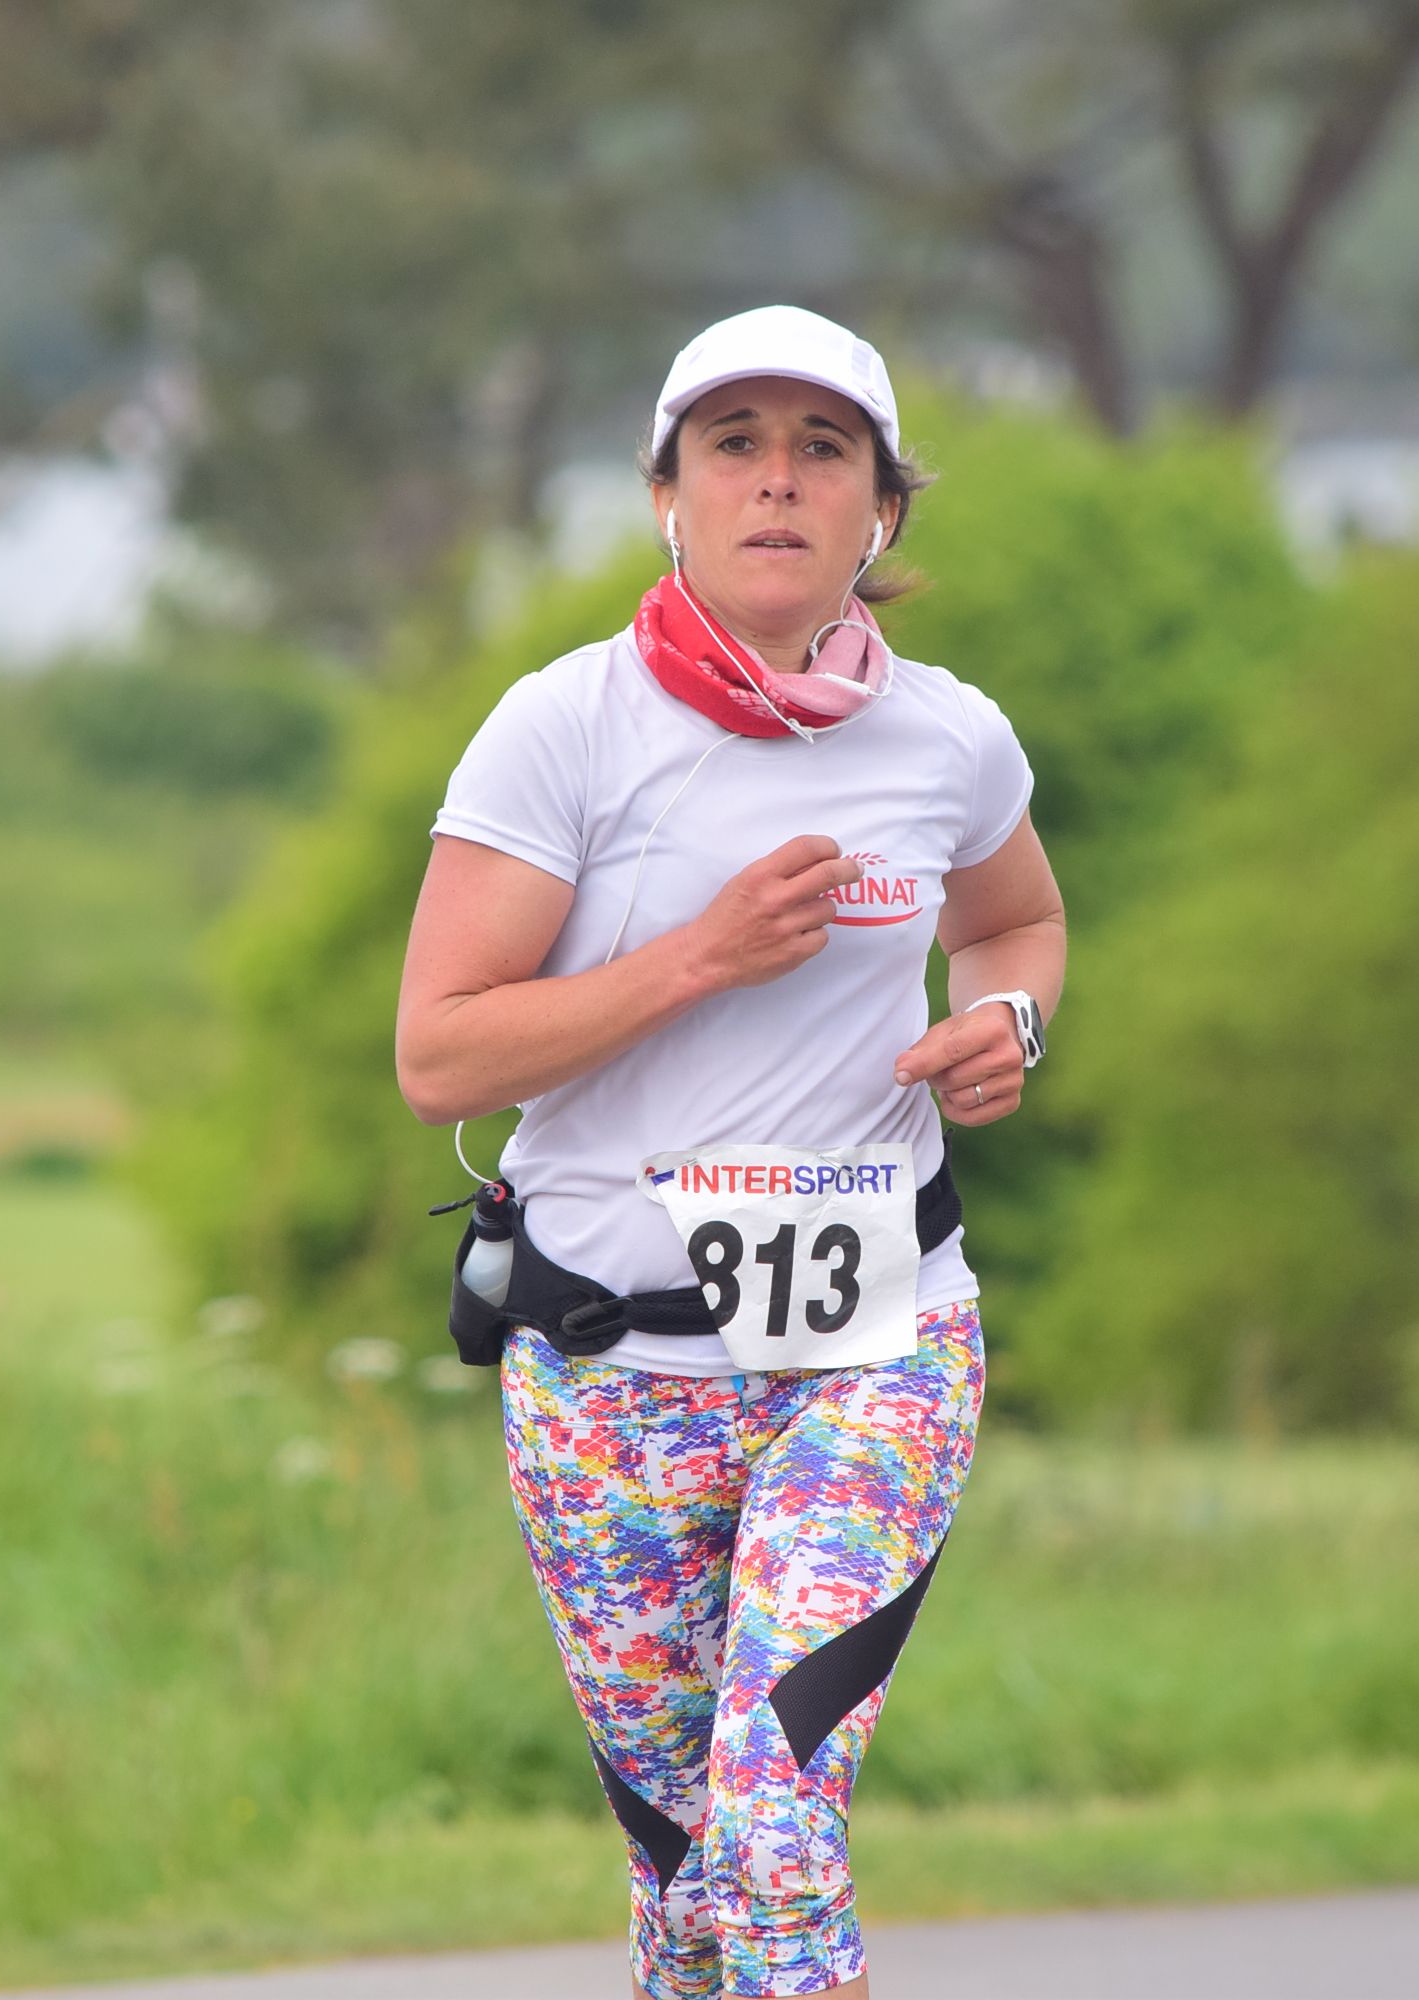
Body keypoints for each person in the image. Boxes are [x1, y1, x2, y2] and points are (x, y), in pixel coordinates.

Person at [394, 303, 1068, 2000]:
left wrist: (1007, 1020)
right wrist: (697, 955)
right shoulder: (564, 728)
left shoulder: (951, 739)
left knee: (773, 1819)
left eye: (823, 450)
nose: (778, 482)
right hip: (607, 1375)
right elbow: (438, 1052)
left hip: (874, 1350)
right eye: (736, 446)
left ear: (881, 510)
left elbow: (1019, 922)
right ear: (667, 496)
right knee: (688, 1883)